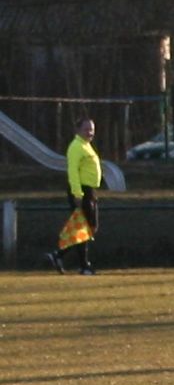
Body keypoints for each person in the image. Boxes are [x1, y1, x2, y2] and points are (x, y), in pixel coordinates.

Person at [48, 116, 102, 275]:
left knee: (89, 226)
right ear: (78, 130)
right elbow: (73, 172)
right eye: (86, 129)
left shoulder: (86, 146)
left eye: (92, 129)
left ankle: (58, 255)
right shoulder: (76, 147)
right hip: (82, 191)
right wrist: (77, 194)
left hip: (89, 190)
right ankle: (84, 266)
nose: (90, 132)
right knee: (83, 227)